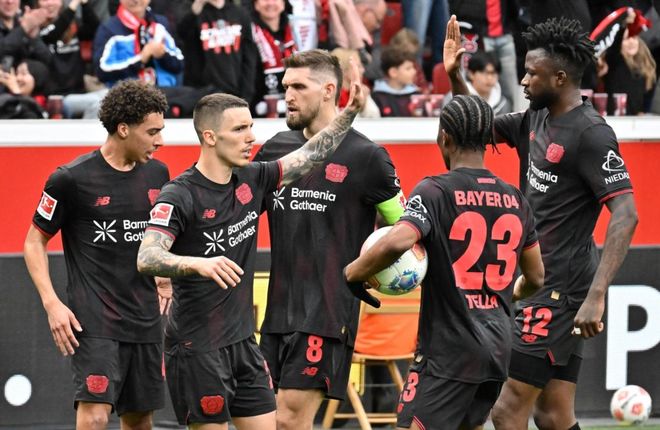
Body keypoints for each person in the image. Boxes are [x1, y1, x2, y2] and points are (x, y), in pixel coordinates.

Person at [135, 56, 367, 429]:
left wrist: (349, 112)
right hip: (197, 349)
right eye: (240, 129)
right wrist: (197, 263)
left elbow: (311, 155)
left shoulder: (254, 178)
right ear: (210, 137)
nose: (251, 138)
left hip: (244, 345)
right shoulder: (179, 195)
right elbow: (147, 256)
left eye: (251, 127)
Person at [443, 15, 639, 430]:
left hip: (560, 291)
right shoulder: (536, 118)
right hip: (538, 283)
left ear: (560, 78)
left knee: (506, 410)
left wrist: (596, 296)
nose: (524, 80)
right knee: (553, 414)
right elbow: (478, 128)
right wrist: (456, 77)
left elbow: (626, 213)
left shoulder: (591, 134)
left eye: (532, 73)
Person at [344, 94, 545, 430]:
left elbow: (398, 240)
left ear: (444, 137)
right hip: (498, 346)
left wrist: (352, 273)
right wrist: (505, 296)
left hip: (448, 351)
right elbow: (536, 277)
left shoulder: (434, 191)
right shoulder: (515, 198)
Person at [252, 49, 405, 429]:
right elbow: (239, 215)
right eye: (286, 86)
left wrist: (375, 267)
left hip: (327, 314)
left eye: (299, 87)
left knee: (289, 419)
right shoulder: (274, 151)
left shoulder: (367, 156)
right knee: (263, 420)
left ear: (328, 90)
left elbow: (405, 228)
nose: (288, 96)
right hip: (276, 315)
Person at [23, 80, 171, 430]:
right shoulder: (69, 179)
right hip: (94, 321)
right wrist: (52, 304)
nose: (160, 141)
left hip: (145, 319)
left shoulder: (159, 173)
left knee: (140, 421)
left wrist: (164, 276)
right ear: (123, 129)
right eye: (152, 132)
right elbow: (33, 242)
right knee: (95, 417)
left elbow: (160, 233)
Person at [38, 0, 100, 95]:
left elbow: (95, 30)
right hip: (53, 94)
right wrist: (74, 3)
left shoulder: (73, 23)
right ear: (37, 3)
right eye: (44, 0)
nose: (50, 3)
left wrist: (85, 4)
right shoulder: (35, 27)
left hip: (78, 90)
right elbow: (54, 33)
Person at [371, 44, 419, 116]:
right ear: (393, 72)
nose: (414, 71)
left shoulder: (416, 95)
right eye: (408, 68)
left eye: (413, 67)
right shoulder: (377, 97)